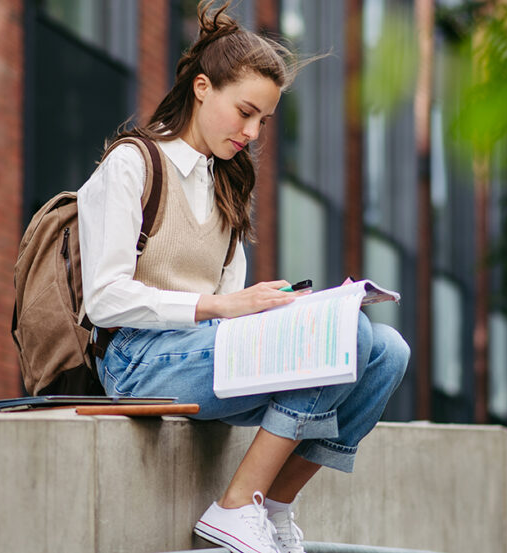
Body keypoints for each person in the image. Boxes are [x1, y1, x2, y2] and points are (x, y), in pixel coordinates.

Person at [76, 3, 409, 552]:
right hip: (136, 361)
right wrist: (219, 307)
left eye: (264, 122)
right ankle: (234, 508)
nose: (252, 133)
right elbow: (105, 298)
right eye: (245, 112)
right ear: (203, 88)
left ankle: (273, 507)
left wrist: (266, 307)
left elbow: (232, 308)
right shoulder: (134, 164)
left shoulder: (225, 184)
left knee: (386, 351)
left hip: (199, 355)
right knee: (344, 336)